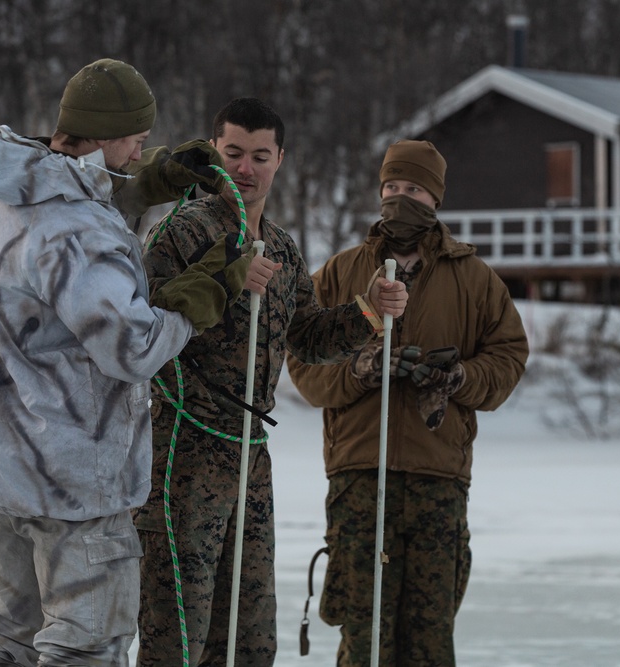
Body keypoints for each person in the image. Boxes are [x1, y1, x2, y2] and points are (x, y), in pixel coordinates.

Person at [0, 58, 251, 667]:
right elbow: (134, 348)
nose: (145, 146)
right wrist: (207, 289)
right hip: (75, 479)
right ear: (107, 132)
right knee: (85, 648)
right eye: (139, 139)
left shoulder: (18, 192)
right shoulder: (77, 228)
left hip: (10, 467)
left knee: (9, 640)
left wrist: (148, 183)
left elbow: (72, 211)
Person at [133, 97, 409, 666]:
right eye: (233, 153)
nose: (246, 169)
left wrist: (367, 313)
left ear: (279, 159)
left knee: (250, 633)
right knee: (178, 630)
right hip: (184, 453)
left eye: (260, 156)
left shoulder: (282, 247)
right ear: (214, 154)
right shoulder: (179, 235)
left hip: (250, 457)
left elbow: (305, 336)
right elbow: (140, 327)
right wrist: (225, 279)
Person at [287, 139, 530, 666]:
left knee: (428, 637)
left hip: (437, 478)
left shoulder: (474, 279)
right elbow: (303, 364)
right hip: (358, 478)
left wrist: (460, 378)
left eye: (414, 189)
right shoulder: (342, 273)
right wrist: (358, 369)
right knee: (364, 635)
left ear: (435, 198)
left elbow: (509, 357)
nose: (401, 198)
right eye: (392, 187)